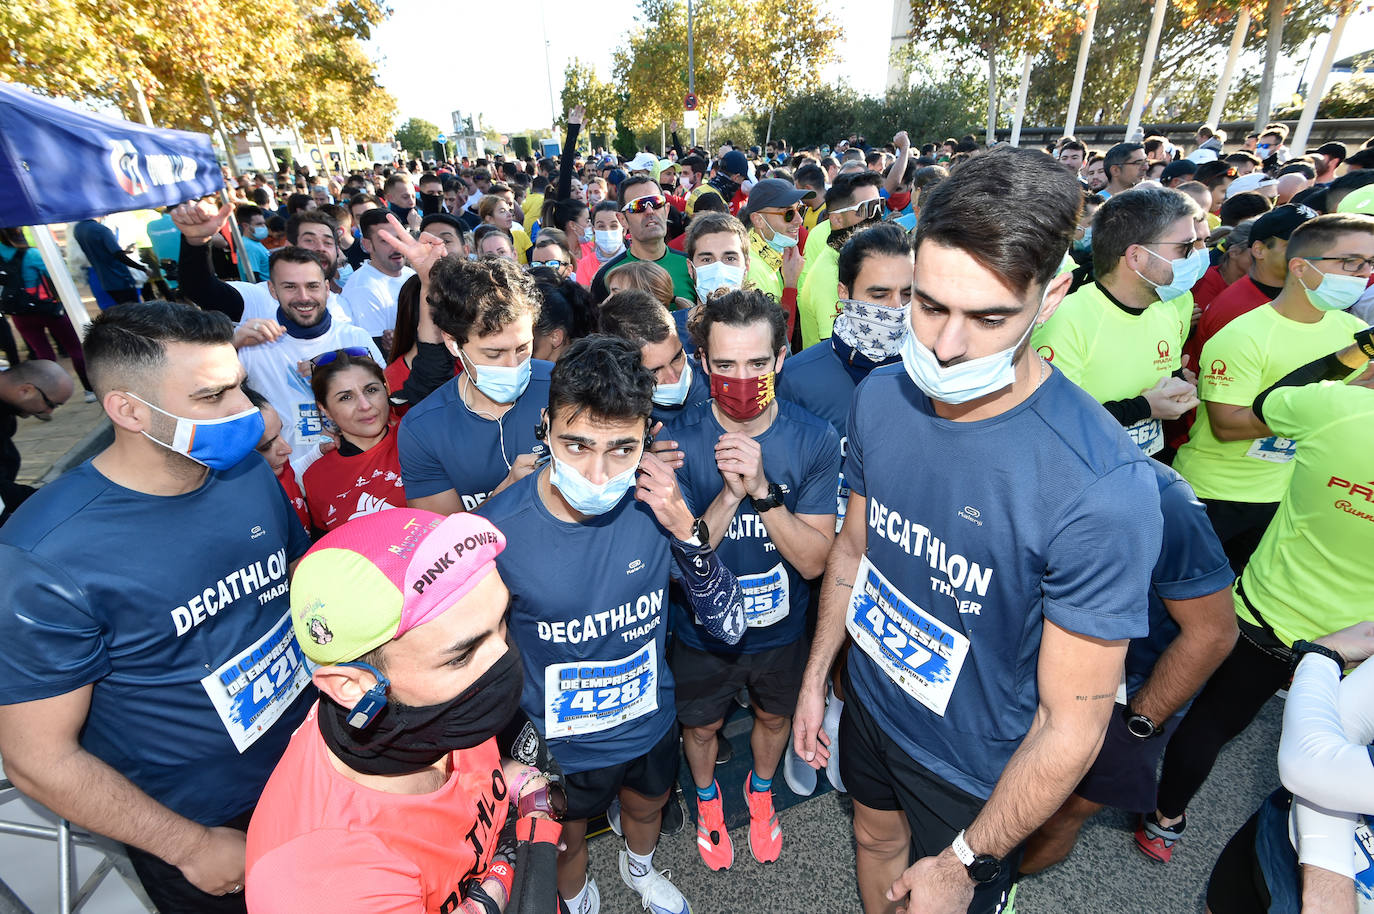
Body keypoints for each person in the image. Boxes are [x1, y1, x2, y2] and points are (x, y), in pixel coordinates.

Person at [792, 146, 1162, 914]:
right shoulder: (883, 398)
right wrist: (817, 677)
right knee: (871, 842)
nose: (944, 345)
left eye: (989, 317)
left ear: (1053, 294)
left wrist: (964, 861)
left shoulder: (1102, 488)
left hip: (975, 768)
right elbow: (855, 550)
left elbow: (1072, 723)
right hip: (869, 702)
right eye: (928, 306)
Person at [0, 301, 314, 912]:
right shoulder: (44, 558)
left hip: (314, 763)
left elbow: (292, 580)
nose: (244, 412)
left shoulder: (245, 473)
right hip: (207, 822)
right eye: (211, 397)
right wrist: (188, 845)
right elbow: (38, 758)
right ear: (128, 409)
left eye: (240, 388)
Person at [477, 335, 745, 914]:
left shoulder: (662, 502)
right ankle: (575, 896)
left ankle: (640, 868)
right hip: (555, 747)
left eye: (621, 449)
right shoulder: (497, 530)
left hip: (648, 723)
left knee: (647, 809)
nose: (598, 474)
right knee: (567, 840)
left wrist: (686, 530)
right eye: (576, 445)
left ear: (647, 438)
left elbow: (728, 626)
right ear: (545, 427)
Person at [245, 508, 565, 914]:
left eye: (502, 620)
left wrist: (516, 778)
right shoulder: (316, 880)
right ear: (352, 686)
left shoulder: (431, 707)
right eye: (462, 655)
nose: (503, 658)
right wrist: (507, 876)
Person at [1141, 331, 1374, 866]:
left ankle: (1164, 818)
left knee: (1216, 720)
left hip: (1271, 613)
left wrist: (1358, 350)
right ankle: (1325, 853)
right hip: (1362, 650)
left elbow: (1270, 400)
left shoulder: (1336, 407)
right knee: (1344, 753)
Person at [668, 289, 840, 869]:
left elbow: (817, 561)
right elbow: (687, 557)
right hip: (701, 634)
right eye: (724, 364)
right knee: (703, 725)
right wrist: (729, 492)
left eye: (757, 363)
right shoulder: (674, 439)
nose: (741, 377)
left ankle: (760, 791)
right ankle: (709, 795)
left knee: (772, 716)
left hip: (781, 632)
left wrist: (764, 494)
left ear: (781, 358)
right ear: (701, 363)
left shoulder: (813, 439)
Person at [1017, 457, 1237, 874]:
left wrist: (1140, 722)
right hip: (1046, 659)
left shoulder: (1162, 501)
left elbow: (1213, 634)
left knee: (1064, 813)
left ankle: (995, 892)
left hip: (1138, 688)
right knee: (1017, 787)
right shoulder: (1016, 470)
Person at [1172, 212, 1370, 575]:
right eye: (1351, 262)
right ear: (1300, 266)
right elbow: (1227, 426)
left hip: (1292, 493)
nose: (1363, 274)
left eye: (1370, 263)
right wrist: (1328, 409)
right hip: (1217, 494)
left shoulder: (1355, 333)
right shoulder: (1244, 335)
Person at [1204, 621, 1374, 914]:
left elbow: (1316, 764)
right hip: (1285, 848)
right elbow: (1335, 731)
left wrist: (1323, 657)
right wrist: (1328, 873)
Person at [1032, 186, 1204, 457]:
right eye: (1185, 248)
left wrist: (1181, 385)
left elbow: (1168, 380)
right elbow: (1051, 420)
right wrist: (1144, 408)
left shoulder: (1165, 310)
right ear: (1136, 256)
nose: (1197, 257)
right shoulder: (1066, 319)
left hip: (1141, 474)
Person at [400, 257, 550, 513]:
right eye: (494, 354)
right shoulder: (423, 429)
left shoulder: (564, 385)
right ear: (453, 343)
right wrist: (508, 492)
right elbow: (443, 539)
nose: (512, 365)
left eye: (523, 348)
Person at [300, 349, 405, 533]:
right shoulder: (315, 478)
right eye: (346, 397)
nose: (365, 405)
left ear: (386, 389)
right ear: (325, 409)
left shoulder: (419, 440)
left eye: (371, 390)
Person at [1191, 204, 1315, 359]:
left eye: (1317, 245)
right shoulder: (1235, 311)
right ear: (1259, 250)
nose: (1310, 254)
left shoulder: (1311, 296)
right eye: (1295, 245)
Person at [0, 229, 94, 398]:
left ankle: (52, 394)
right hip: (47, 308)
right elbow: (54, 276)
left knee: (43, 355)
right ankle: (89, 390)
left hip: (19, 313)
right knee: (75, 348)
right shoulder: (33, 253)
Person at [598, 289, 711, 428]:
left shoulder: (715, 381)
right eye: (654, 371)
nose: (674, 378)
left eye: (676, 357)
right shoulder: (612, 415)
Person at [797, 170, 885, 349]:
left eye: (880, 206)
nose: (876, 215)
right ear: (837, 219)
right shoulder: (830, 274)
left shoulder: (855, 259)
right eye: (867, 208)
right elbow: (838, 348)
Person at [590, 177, 695, 304]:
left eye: (656, 202)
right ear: (622, 219)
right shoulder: (607, 276)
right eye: (638, 205)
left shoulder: (691, 266)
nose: (650, 211)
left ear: (666, 210)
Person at [340, 208, 417, 347]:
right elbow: (374, 354)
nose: (396, 247)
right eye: (385, 241)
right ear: (367, 245)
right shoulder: (362, 289)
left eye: (398, 238)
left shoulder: (411, 274)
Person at [740, 178, 811, 320]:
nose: (799, 220)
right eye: (788, 214)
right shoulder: (752, 268)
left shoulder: (771, 257)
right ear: (758, 220)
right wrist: (790, 284)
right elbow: (778, 337)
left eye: (799, 210)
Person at [243, 385, 310, 531]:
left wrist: (318, 453)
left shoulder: (281, 467)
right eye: (266, 446)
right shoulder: (242, 512)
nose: (287, 449)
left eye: (281, 432)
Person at [73, 215, 145, 304]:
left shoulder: (78, 228)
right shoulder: (102, 230)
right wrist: (143, 268)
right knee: (134, 310)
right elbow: (118, 255)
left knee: (120, 310)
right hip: (120, 277)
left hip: (104, 280)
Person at [577, 201, 625, 287]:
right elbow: (581, 298)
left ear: (624, 229)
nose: (607, 231)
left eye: (614, 226)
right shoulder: (585, 264)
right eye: (601, 226)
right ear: (593, 230)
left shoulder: (634, 261)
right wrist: (594, 285)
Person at [236, 205, 273, 281]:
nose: (263, 227)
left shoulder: (254, 242)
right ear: (245, 226)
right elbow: (252, 278)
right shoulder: (249, 247)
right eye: (259, 224)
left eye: (264, 223)